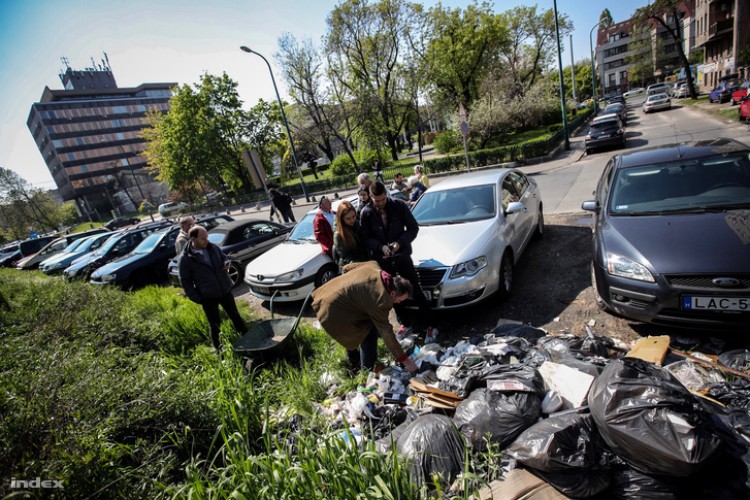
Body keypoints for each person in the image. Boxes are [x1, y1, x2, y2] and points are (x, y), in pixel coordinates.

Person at [358, 181, 436, 339]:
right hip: (384, 260)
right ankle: (405, 323)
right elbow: (365, 237)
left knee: (416, 289)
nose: (380, 203)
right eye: (376, 200)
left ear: (386, 195)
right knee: (392, 294)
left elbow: (413, 228)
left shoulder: (399, 207)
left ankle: (430, 325)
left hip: (402, 256)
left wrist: (400, 243)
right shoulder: (366, 212)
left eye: (382, 199)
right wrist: (380, 247)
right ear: (371, 197)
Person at [311, 260, 418, 373]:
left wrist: (352, 289)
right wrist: (405, 361)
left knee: (363, 326)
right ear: (392, 294)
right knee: (367, 333)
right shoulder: (381, 300)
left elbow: (346, 268)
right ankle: (366, 371)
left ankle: (358, 361)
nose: (398, 303)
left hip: (328, 290)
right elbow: (386, 332)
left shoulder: (374, 266)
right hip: (332, 307)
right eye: (399, 300)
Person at [178, 225, 247, 350]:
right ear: (193, 239)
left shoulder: (212, 247)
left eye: (207, 237)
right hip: (208, 297)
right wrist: (198, 298)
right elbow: (185, 282)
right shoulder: (185, 259)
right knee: (215, 324)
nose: (207, 241)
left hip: (225, 290)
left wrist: (227, 263)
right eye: (203, 239)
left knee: (235, 316)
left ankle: (247, 338)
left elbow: (224, 257)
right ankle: (219, 349)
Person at [333, 200, 368, 271]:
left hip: (363, 264)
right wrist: (361, 265)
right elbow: (346, 257)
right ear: (342, 219)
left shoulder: (357, 225)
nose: (352, 220)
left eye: (353, 216)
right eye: (348, 219)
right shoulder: (338, 234)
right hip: (349, 269)